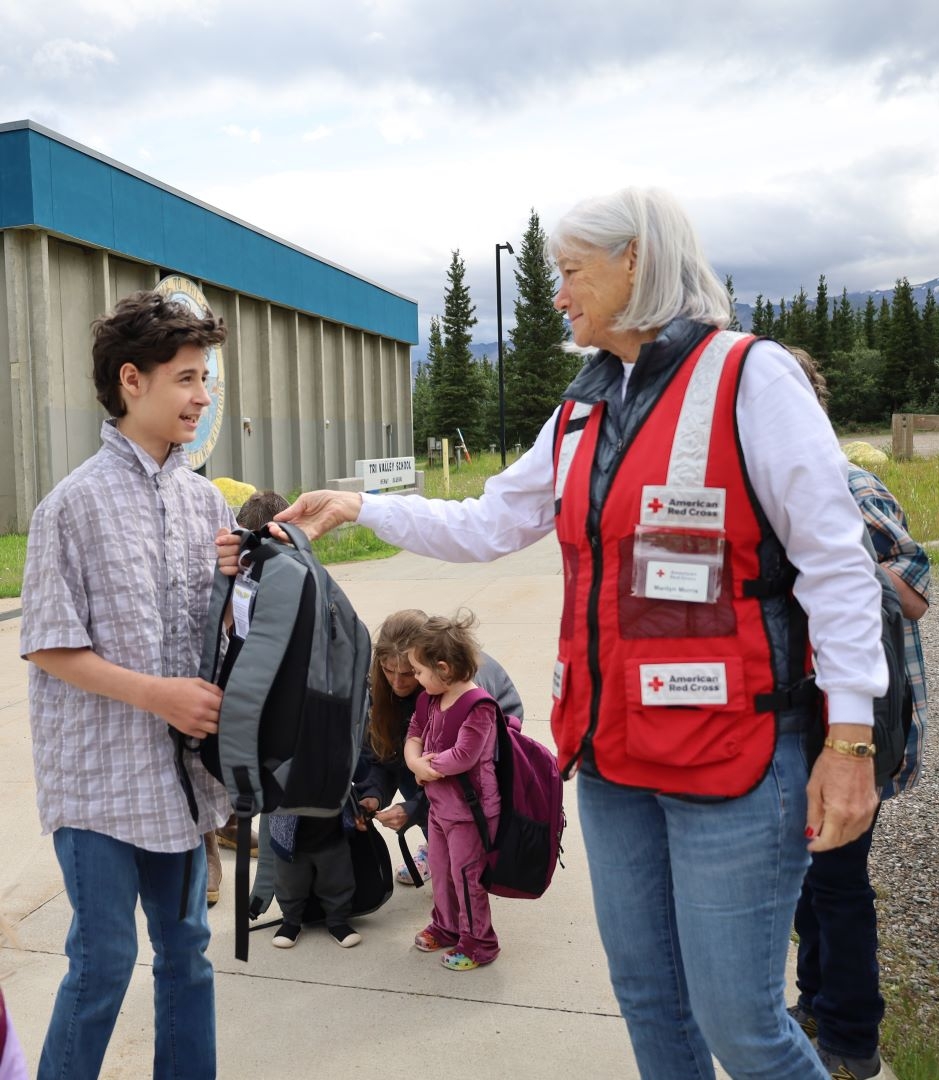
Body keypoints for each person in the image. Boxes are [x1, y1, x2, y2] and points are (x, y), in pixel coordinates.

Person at [217, 187, 886, 1079]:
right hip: (613, 760)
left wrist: (850, 740)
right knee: (650, 999)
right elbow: (491, 522)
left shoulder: (750, 378)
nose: (559, 294)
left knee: (744, 1026)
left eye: (572, 272)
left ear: (636, 262)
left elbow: (836, 564)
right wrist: (361, 505)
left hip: (738, 757)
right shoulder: (582, 409)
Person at [22, 290, 233, 1079]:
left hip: (179, 781)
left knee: (187, 956)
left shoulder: (204, 500)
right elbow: (47, 645)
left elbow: (215, 635)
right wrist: (157, 695)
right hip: (99, 782)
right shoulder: (69, 506)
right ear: (131, 380)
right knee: (103, 960)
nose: (202, 397)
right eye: (185, 378)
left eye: (204, 377)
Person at [786, 348, 930, 1080]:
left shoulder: (846, 486)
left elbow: (914, 588)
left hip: (852, 729)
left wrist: (834, 559)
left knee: (837, 884)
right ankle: (814, 1001)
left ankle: (851, 1039)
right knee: (810, 882)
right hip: (808, 722)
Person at [353, 608, 524, 886]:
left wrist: (414, 808)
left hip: (490, 739)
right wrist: (372, 794)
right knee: (411, 758)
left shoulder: (458, 693)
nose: (397, 682)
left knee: (428, 771)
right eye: (388, 670)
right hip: (437, 749)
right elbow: (383, 755)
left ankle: (475, 843)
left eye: (408, 673)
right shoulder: (379, 687)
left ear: (435, 665)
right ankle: (437, 840)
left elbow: (460, 773)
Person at [202, 490, 288, 906]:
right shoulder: (227, 568)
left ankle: (232, 823)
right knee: (208, 751)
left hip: (266, 680)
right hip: (225, 677)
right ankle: (212, 838)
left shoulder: (292, 570)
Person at [404, 612, 501, 971]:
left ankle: (479, 943)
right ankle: (446, 926)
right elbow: (414, 733)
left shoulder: (479, 705)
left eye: (418, 670)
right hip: (439, 808)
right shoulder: (431, 698)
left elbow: (464, 756)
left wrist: (427, 768)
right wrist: (415, 763)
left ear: (442, 668)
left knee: (466, 877)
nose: (415, 678)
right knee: (442, 871)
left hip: (469, 814)